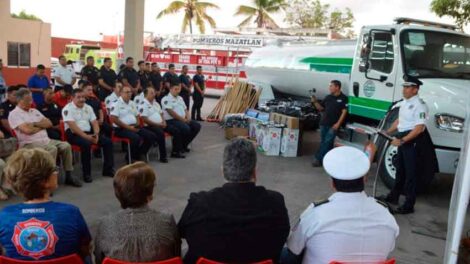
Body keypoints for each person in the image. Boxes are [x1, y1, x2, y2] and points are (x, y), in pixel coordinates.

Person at [179, 138, 290, 263]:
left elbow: (181, 233)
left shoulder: (199, 204)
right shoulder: (276, 203)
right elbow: (282, 236)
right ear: (254, 172)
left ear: (223, 171)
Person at [283, 146, 399, 264]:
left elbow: (294, 248)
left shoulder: (316, 214)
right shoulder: (386, 215)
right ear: (364, 179)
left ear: (332, 183)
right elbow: (390, 248)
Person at [0, 148, 92, 261]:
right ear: (45, 181)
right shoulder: (71, 212)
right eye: (54, 169)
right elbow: (85, 248)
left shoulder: (4, 216)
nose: (57, 172)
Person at [94, 162, 181, 263]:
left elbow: (98, 260)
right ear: (150, 191)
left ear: (118, 192)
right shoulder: (166, 221)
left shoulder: (106, 224)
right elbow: (176, 255)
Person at [378, 77, 432, 214]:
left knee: (411, 174)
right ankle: (394, 197)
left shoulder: (420, 105)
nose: (404, 90)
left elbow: (419, 128)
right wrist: (386, 131)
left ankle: (409, 205)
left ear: (415, 89)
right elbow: (399, 121)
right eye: (404, 87)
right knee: (400, 171)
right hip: (404, 136)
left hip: (414, 140)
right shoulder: (404, 103)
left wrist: (402, 141)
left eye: (407, 87)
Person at [8, 88, 81, 187]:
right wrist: (41, 126)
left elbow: (49, 123)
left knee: (66, 146)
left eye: (31, 99)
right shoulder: (14, 114)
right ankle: (47, 180)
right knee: (52, 149)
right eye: (28, 100)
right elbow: (28, 131)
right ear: (20, 101)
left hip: (46, 140)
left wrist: (34, 124)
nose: (31, 102)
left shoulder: (34, 111)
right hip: (29, 143)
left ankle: (69, 175)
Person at [62, 88, 114, 183]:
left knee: (107, 142)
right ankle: (87, 174)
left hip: (88, 132)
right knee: (86, 144)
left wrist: (96, 134)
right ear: (72, 98)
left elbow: (94, 122)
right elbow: (73, 127)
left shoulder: (88, 107)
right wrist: (88, 138)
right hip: (74, 134)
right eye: (79, 97)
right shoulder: (67, 109)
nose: (82, 99)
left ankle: (108, 170)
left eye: (83, 97)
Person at [110, 86, 156, 162]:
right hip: (121, 128)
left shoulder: (132, 103)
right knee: (135, 138)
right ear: (121, 93)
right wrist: (128, 127)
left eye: (130, 92)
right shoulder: (115, 104)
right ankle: (130, 158)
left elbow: (137, 116)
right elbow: (114, 119)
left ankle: (141, 153)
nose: (129, 94)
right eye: (127, 92)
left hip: (133, 126)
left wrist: (137, 123)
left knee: (151, 136)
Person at [140, 86, 184, 162]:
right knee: (160, 133)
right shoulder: (143, 104)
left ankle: (176, 151)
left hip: (161, 124)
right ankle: (163, 156)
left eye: (154, 92)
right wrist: (158, 125)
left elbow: (161, 114)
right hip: (149, 126)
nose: (154, 94)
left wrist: (163, 121)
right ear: (146, 95)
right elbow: (144, 119)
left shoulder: (156, 103)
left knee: (176, 130)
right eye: (151, 93)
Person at [311, 80, 348, 167]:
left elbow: (344, 112)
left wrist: (338, 124)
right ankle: (329, 160)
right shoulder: (328, 97)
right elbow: (320, 108)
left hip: (334, 125)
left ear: (337, 87)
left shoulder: (343, 98)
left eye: (331, 86)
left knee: (327, 142)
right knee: (326, 142)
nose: (329, 88)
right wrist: (314, 101)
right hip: (324, 123)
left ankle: (318, 159)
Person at [162, 83, 200, 156]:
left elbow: (185, 109)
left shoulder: (180, 98)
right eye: (175, 89)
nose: (177, 91)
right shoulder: (166, 99)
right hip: (171, 120)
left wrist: (188, 117)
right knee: (185, 128)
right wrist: (183, 120)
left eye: (178, 89)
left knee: (196, 126)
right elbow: (171, 113)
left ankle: (183, 145)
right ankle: (176, 151)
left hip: (182, 119)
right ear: (170, 89)